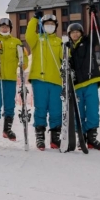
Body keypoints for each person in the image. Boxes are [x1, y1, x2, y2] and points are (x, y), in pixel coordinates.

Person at [67, 15, 100, 151]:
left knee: (92, 111)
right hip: (76, 85)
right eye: (72, 32)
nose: (75, 34)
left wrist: (93, 14)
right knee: (79, 113)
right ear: (69, 35)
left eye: (78, 31)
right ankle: (81, 137)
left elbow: (95, 32)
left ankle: (92, 137)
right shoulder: (67, 48)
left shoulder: (88, 42)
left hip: (90, 81)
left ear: (82, 33)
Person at [0, 18, 28, 141]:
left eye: (7, 27)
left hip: (10, 77)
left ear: (10, 29)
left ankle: (7, 129)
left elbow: (23, 56)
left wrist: (23, 64)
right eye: (2, 27)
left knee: (10, 103)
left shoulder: (16, 41)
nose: (5, 29)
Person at [26, 8, 63, 150]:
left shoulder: (59, 42)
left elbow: (65, 58)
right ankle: (40, 136)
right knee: (40, 108)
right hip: (39, 79)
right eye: (46, 23)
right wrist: (35, 19)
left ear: (56, 27)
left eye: (52, 24)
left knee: (56, 110)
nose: (49, 26)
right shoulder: (37, 40)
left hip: (55, 81)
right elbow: (29, 34)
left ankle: (55, 137)